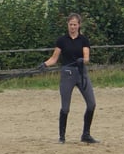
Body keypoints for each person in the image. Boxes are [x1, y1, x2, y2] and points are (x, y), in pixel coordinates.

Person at [38, 13, 99, 144]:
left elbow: (87, 57)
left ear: (79, 25)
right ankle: (62, 137)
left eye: (75, 24)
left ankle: (86, 134)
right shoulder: (62, 40)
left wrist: (82, 60)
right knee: (65, 107)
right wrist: (45, 64)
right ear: (68, 25)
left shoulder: (84, 40)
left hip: (81, 74)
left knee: (91, 104)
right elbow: (54, 58)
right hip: (67, 74)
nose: (72, 27)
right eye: (70, 24)